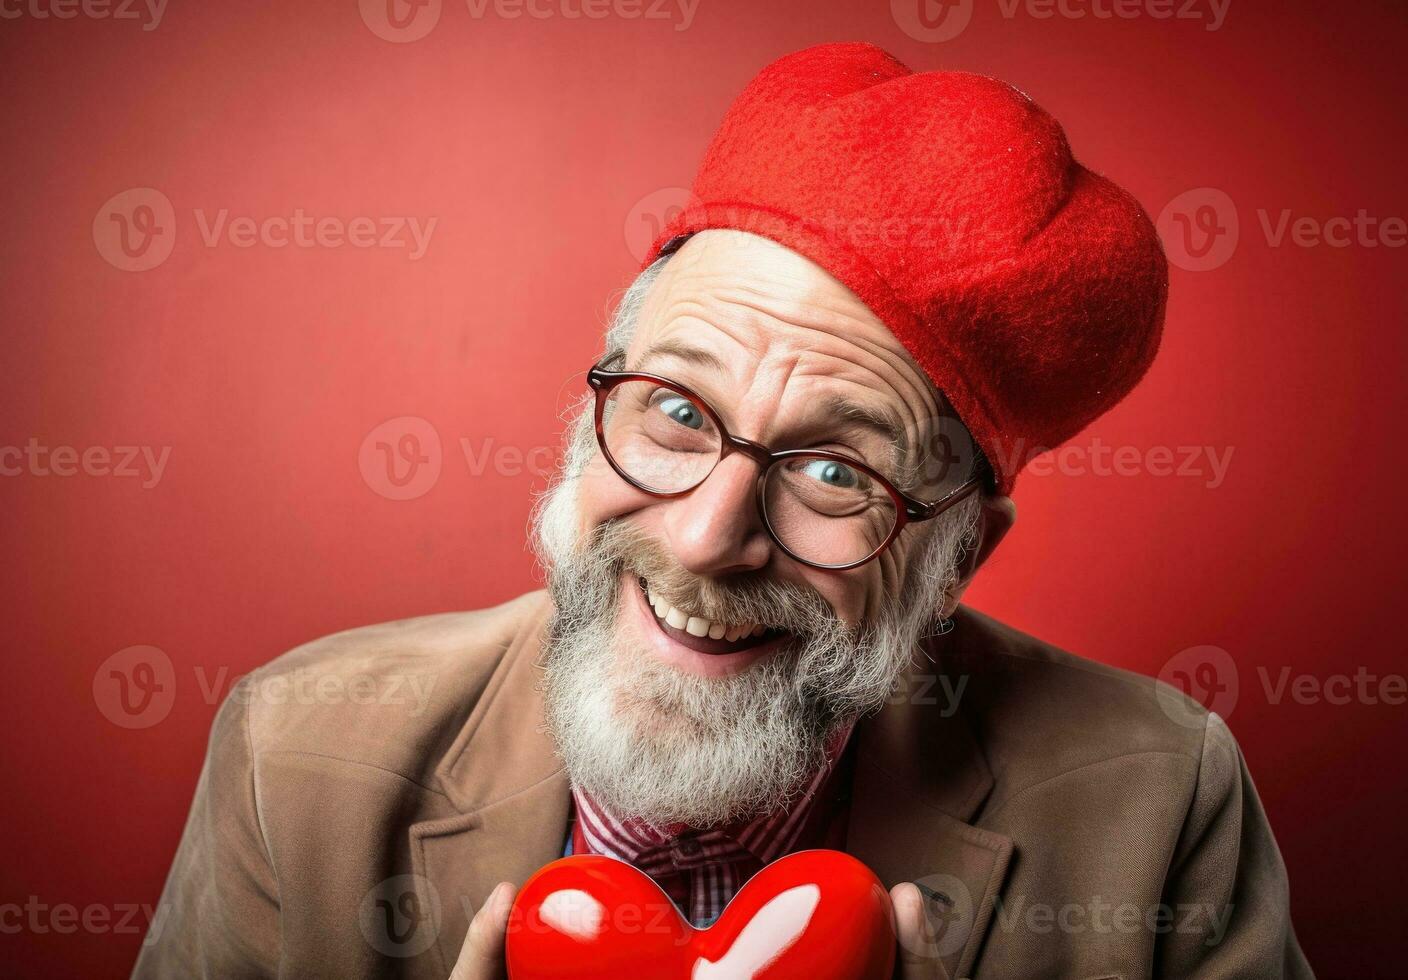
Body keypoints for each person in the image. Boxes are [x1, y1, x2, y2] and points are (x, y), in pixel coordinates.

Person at [135, 42, 1311, 979]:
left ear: (955, 556)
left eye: (836, 474)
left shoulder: (1160, 803)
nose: (704, 538)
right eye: (676, 412)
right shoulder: (295, 756)